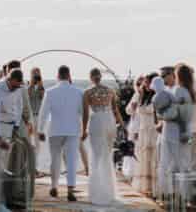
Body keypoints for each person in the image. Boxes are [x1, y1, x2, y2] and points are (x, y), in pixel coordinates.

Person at [38, 65, 84, 202]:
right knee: (71, 160)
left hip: (55, 130)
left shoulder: (50, 92)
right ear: (69, 75)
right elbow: (82, 112)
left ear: (57, 76)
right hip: (72, 130)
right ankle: (70, 190)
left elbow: (43, 112)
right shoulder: (78, 92)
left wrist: (40, 129)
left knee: (55, 159)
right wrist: (84, 128)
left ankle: (54, 186)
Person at [82, 67, 123, 207]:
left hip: (97, 122)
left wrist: (83, 130)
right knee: (106, 155)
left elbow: (86, 114)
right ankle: (109, 192)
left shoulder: (87, 92)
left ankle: (98, 192)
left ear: (91, 78)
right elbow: (116, 110)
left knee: (96, 155)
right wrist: (123, 125)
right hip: (110, 121)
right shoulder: (110, 90)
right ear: (100, 77)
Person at [0, 69, 25, 212]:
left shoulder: (18, 88)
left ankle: (0, 200)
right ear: (9, 79)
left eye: (19, 85)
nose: (17, 87)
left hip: (9, 128)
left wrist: (15, 127)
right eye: (15, 84)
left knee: (3, 166)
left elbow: (19, 107)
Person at [126, 74, 158, 196]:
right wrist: (133, 107)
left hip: (153, 129)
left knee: (153, 158)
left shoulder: (157, 95)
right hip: (142, 129)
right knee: (143, 158)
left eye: (149, 83)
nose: (147, 85)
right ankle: (145, 187)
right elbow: (128, 110)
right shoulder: (139, 94)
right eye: (146, 83)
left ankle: (154, 188)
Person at [174, 64, 196, 170]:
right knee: (186, 159)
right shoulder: (191, 92)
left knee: (179, 160)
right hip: (189, 127)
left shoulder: (179, 90)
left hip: (180, 128)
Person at [28, 68, 45, 175]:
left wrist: (40, 85)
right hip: (30, 117)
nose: (36, 75)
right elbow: (27, 96)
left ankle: (35, 166)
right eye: (34, 74)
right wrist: (31, 84)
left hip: (38, 116)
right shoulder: (27, 86)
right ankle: (30, 166)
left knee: (38, 144)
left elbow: (43, 98)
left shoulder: (41, 87)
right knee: (30, 142)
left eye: (38, 74)